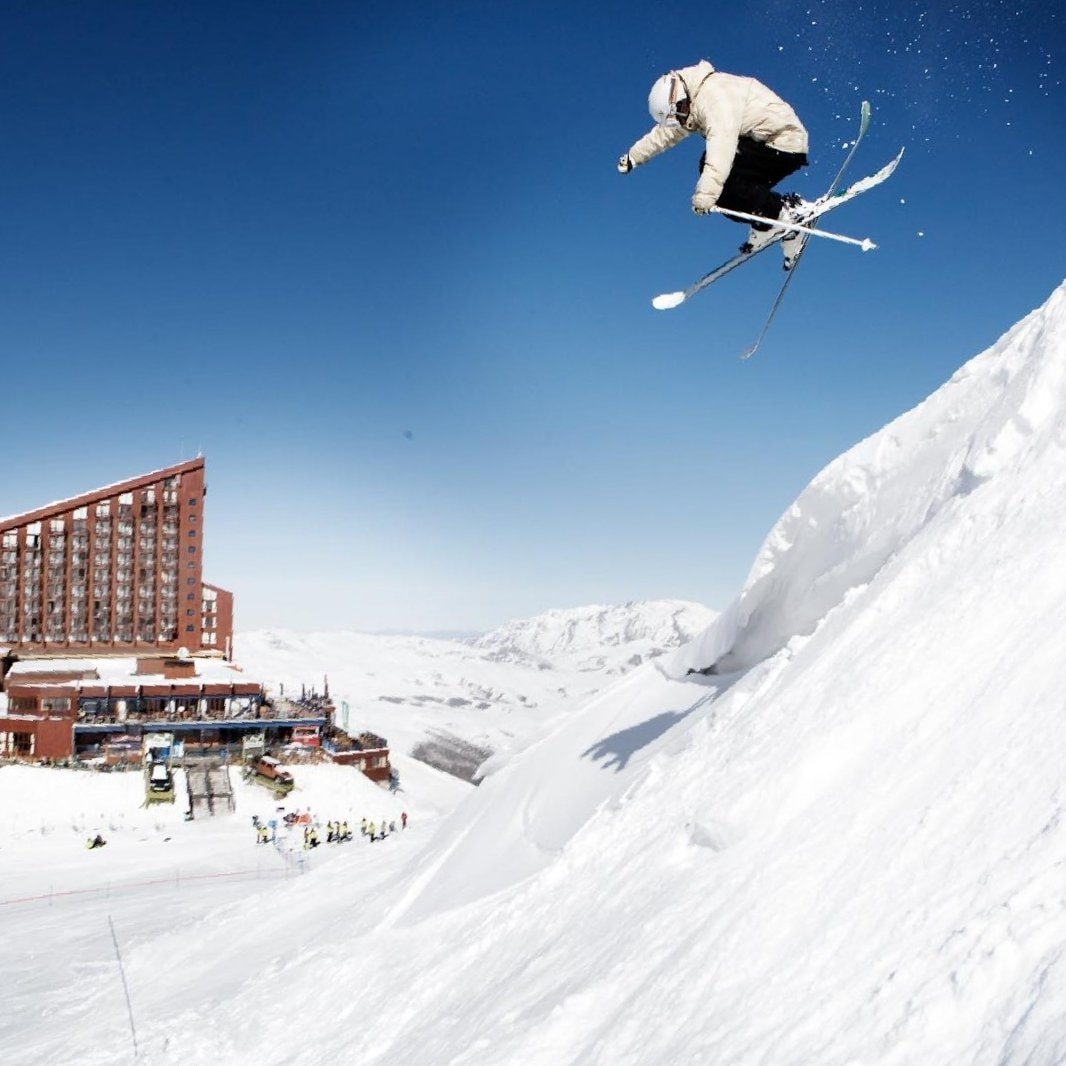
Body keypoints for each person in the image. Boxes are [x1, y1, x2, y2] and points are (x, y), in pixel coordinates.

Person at [618, 60, 811, 266]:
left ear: (681, 96)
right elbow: (664, 135)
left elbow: (722, 145)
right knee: (726, 193)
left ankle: (784, 215)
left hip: (783, 143)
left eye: (681, 111)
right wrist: (634, 156)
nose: (683, 119)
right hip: (764, 144)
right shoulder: (692, 101)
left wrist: (705, 195)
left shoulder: (715, 96)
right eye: (677, 118)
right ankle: (766, 220)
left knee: (724, 188)